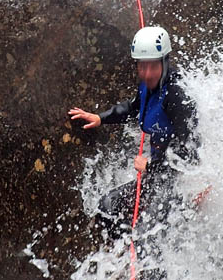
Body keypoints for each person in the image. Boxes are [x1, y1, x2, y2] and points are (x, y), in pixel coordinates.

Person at [68, 25, 199, 232]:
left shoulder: (177, 97)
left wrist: (150, 166)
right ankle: (116, 257)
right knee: (107, 207)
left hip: (176, 179)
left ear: (165, 63)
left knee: (150, 230)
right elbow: (133, 107)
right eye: (142, 67)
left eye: (153, 67)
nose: (147, 74)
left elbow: (190, 155)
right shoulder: (149, 85)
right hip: (156, 173)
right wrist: (100, 118)